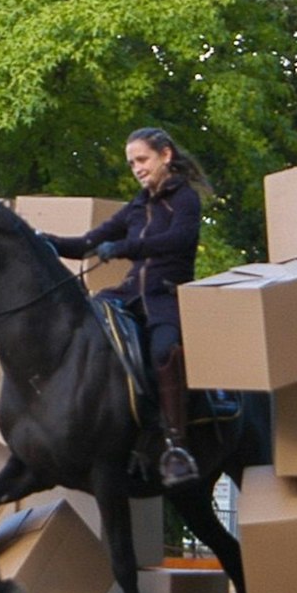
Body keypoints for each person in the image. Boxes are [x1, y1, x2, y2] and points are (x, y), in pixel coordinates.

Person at [45, 127, 209, 487]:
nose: (136, 167)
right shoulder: (137, 205)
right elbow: (88, 242)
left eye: (142, 159)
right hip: (128, 294)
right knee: (86, 326)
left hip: (166, 296)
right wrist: (44, 242)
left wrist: (124, 248)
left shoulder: (184, 199)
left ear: (165, 155)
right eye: (131, 162)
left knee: (165, 350)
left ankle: (176, 446)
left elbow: (179, 239)